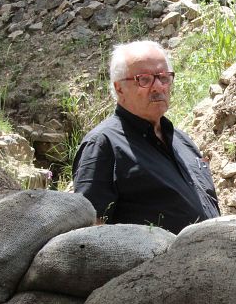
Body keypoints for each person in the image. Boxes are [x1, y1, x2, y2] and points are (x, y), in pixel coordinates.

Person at [72, 40, 220, 234]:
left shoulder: (182, 141)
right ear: (119, 88)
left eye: (164, 77)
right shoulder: (102, 144)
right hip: (155, 254)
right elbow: (89, 229)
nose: (158, 87)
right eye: (144, 79)